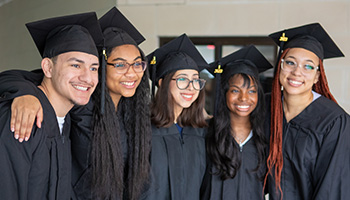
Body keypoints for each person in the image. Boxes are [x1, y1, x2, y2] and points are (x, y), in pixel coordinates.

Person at [0, 7, 152, 200]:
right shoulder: (76, 106)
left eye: (137, 63)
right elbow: (25, 78)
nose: (131, 72)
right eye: (120, 64)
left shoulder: (130, 113)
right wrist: (25, 93)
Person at [0, 12, 103, 199]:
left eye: (94, 68)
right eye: (75, 65)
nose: (88, 78)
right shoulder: (22, 119)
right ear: (47, 68)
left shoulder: (65, 120)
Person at [265, 23, 350, 200]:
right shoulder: (266, 107)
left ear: (317, 76)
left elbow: (331, 187)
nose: (297, 72)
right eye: (290, 62)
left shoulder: (333, 121)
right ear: (280, 66)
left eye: (308, 66)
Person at [201, 45, 272, 200]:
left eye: (251, 91)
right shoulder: (205, 134)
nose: (244, 98)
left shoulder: (265, 137)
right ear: (224, 93)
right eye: (235, 90)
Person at [144, 34, 209, 200]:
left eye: (195, 80)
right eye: (182, 79)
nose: (190, 87)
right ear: (161, 82)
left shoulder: (200, 132)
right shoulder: (144, 129)